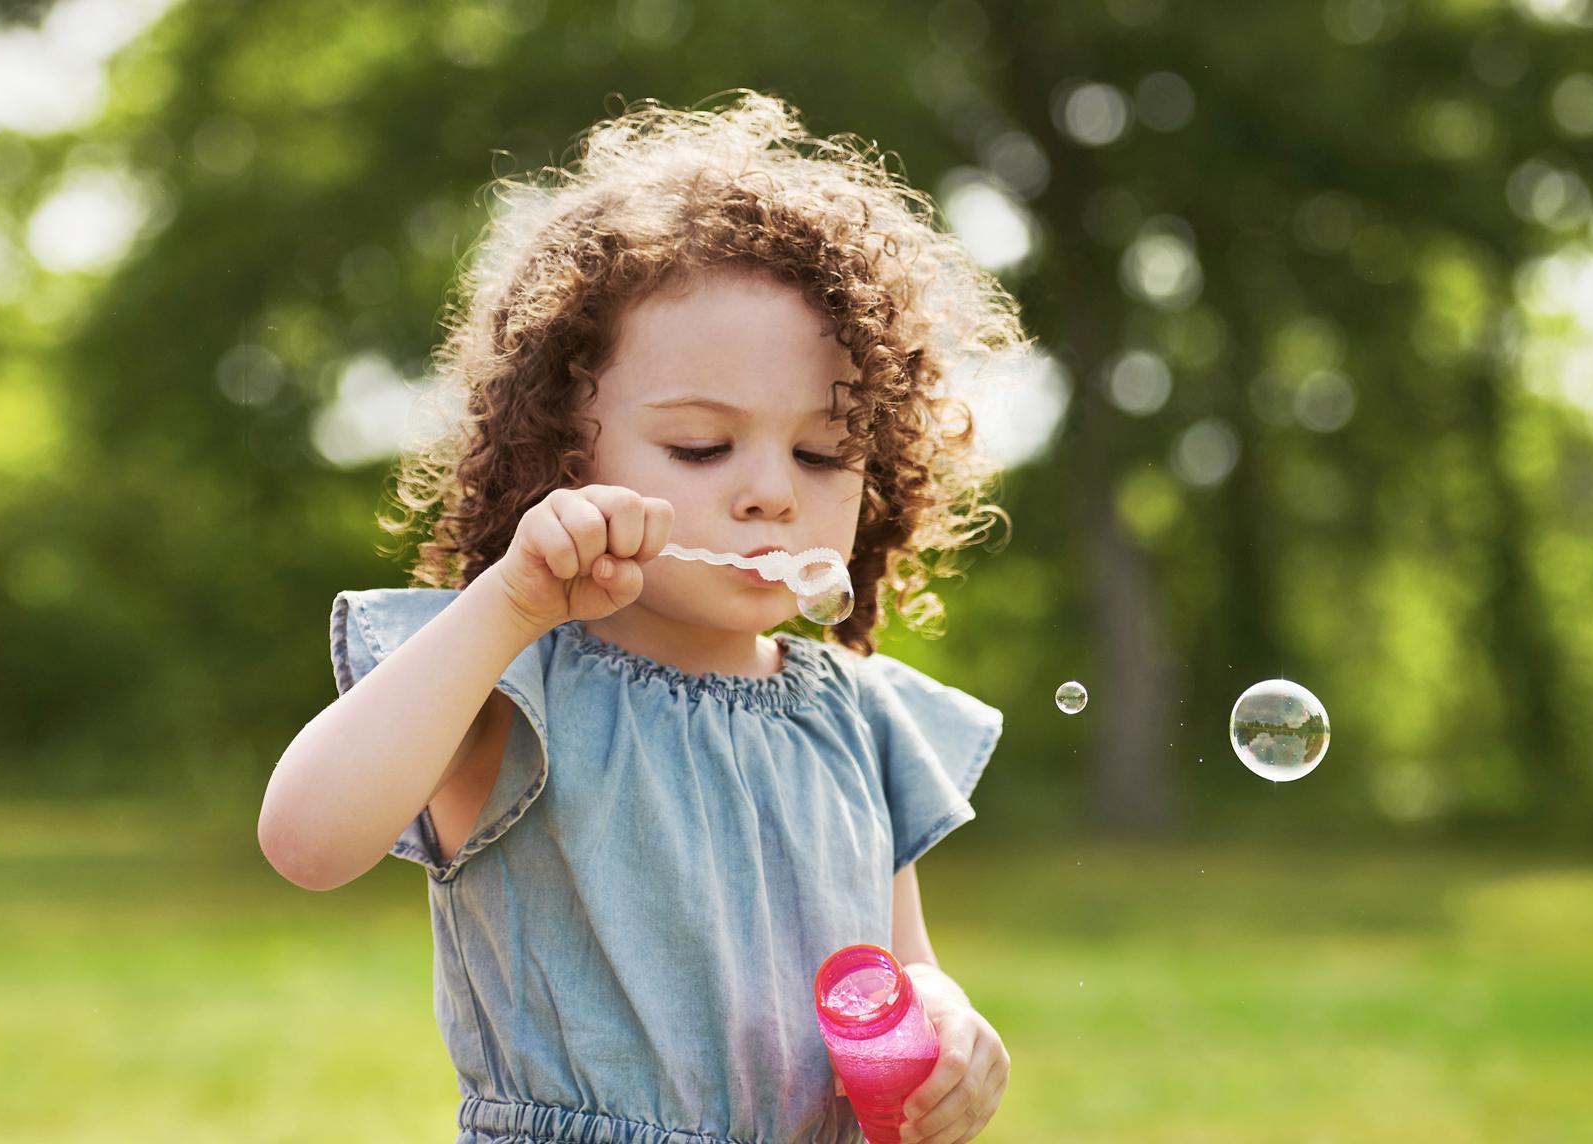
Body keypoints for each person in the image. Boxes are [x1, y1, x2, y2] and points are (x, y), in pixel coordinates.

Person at [260, 91, 1030, 1144]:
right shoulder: (513, 682)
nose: (770, 492)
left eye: (820, 453)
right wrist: (507, 605)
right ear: (563, 456)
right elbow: (306, 841)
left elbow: (895, 974)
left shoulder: (864, 723)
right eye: (703, 448)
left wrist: (942, 1023)